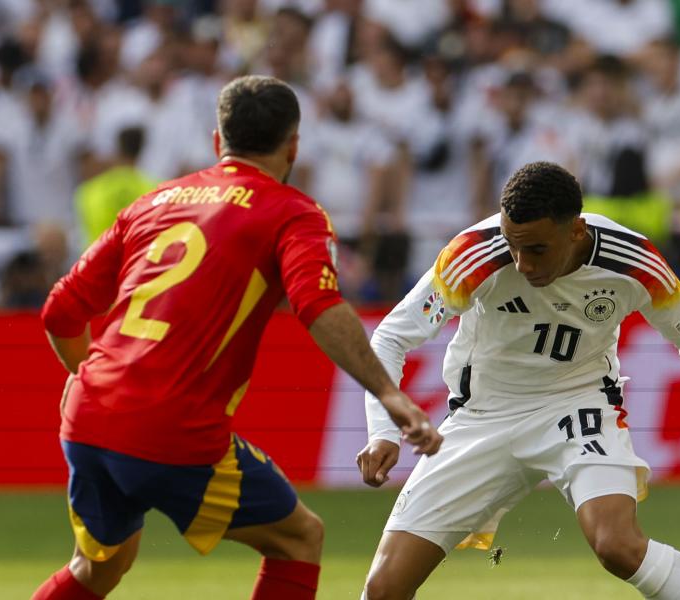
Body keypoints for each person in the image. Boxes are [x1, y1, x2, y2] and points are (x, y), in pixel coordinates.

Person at [32, 75, 442, 600]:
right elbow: (317, 306)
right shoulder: (293, 213)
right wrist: (389, 393)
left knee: (98, 568)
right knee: (299, 538)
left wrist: (96, 383)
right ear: (294, 145)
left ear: (216, 141)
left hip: (87, 416)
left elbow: (59, 312)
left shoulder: (153, 201)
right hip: (171, 427)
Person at [355, 161, 680, 600]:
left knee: (617, 546)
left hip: (577, 405)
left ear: (576, 231)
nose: (522, 264)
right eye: (514, 245)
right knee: (383, 588)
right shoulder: (477, 254)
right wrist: (382, 429)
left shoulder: (633, 262)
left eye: (537, 249)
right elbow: (390, 338)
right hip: (482, 415)